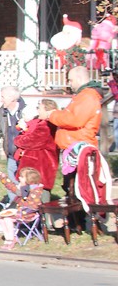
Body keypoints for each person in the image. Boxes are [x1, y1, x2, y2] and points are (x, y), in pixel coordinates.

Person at [46, 66, 103, 197]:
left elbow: (75, 120)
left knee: (77, 189)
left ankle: (81, 217)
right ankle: (77, 216)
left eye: (70, 80)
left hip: (79, 150)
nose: (69, 84)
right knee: (71, 188)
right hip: (74, 148)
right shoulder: (83, 96)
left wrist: (53, 115)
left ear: (79, 78)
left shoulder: (88, 96)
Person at [13, 98, 59, 192]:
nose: (37, 110)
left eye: (39, 108)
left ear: (47, 110)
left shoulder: (46, 125)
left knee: (37, 198)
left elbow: (31, 141)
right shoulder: (44, 123)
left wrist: (17, 139)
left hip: (39, 166)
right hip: (41, 165)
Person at [0, 167, 44, 251]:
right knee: (1, 218)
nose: (19, 178)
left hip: (28, 214)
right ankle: (8, 238)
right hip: (20, 212)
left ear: (29, 180)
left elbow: (34, 206)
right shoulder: (25, 189)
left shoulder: (36, 191)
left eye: (22, 177)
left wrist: (19, 211)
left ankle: (11, 239)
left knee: (7, 219)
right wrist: (3, 178)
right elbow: (13, 188)